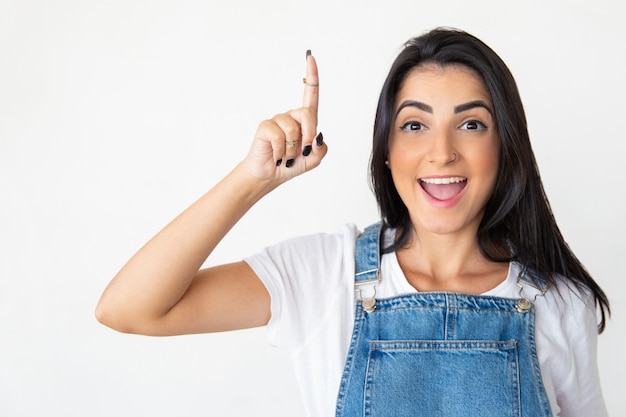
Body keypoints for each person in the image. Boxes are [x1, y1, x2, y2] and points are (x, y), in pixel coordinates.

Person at [96, 28, 610, 417]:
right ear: (388, 150)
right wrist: (253, 179)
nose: (442, 152)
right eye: (414, 125)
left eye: (471, 124)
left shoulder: (562, 303)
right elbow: (130, 309)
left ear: (506, 147)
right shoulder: (324, 274)